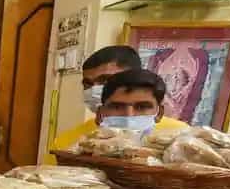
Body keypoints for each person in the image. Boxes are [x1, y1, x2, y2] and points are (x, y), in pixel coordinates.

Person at [47, 45, 187, 162]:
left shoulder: (181, 139)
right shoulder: (67, 142)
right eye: (88, 84)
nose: (94, 89)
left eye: (106, 80)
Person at [96, 68, 168, 131]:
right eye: (117, 107)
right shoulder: (85, 140)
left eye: (141, 107)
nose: (129, 116)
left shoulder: (176, 143)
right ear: (100, 113)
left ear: (159, 114)